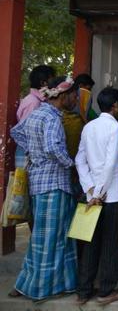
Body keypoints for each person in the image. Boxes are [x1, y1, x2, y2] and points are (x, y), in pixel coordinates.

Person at [9, 77, 78, 301]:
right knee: (52, 239)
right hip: (54, 184)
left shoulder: (37, 113)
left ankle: (53, 284)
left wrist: (33, 154)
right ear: (63, 96)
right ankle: (41, 288)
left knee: (44, 236)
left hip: (39, 183)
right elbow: (52, 148)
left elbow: (16, 132)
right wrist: (71, 163)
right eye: (74, 95)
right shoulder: (51, 118)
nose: (76, 99)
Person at [74, 87, 118, 305]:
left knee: (90, 243)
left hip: (90, 195)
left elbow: (79, 160)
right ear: (115, 105)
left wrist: (89, 189)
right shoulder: (114, 127)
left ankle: (83, 291)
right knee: (111, 242)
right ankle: (106, 291)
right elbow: (109, 163)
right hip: (111, 194)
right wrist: (99, 192)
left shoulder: (89, 127)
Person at [15, 65, 56, 169]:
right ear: (43, 83)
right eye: (53, 79)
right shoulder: (33, 103)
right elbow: (29, 134)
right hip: (27, 154)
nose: (55, 84)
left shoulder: (37, 101)